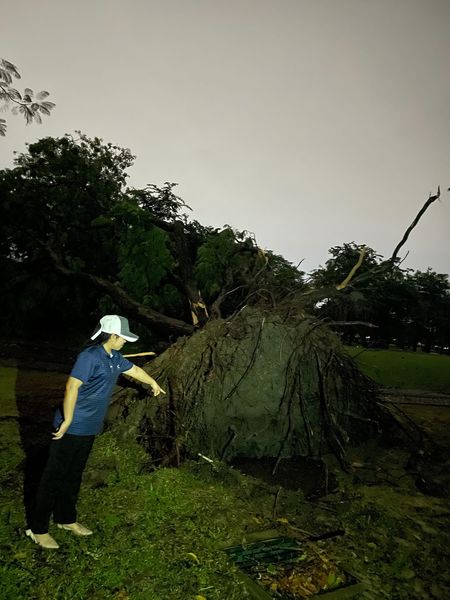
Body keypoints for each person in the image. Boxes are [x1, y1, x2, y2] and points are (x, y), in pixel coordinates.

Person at [25, 315, 165, 549]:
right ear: (112, 336)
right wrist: (68, 420)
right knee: (53, 477)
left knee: (74, 474)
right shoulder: (89, 357)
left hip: (89, 427)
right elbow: (72, 386)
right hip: (70, 427)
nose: (125, 342)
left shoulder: (115, 358)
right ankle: (37, 529)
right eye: (123, 338)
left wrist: (152, 383)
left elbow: (136, 370)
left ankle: (66, 519)